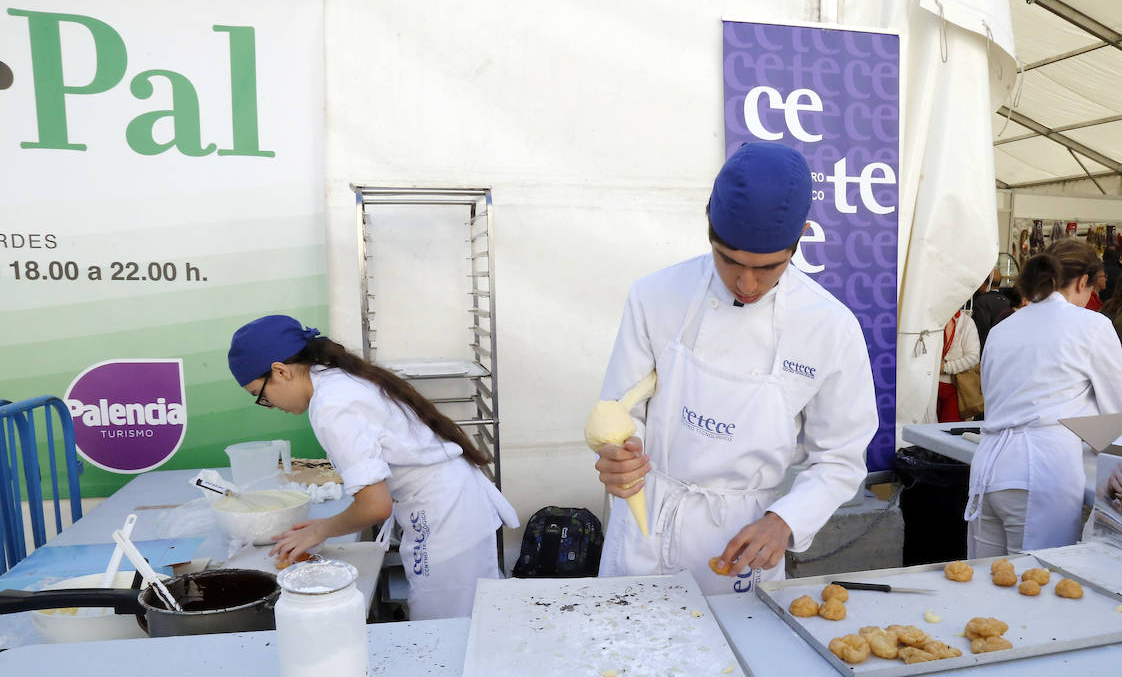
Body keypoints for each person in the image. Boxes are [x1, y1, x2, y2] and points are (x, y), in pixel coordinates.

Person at [592, 142, 878, 596]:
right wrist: (620, 456)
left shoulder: (829, 326)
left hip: (744, 541)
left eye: (769, 268)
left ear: (801, 237)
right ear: (708, 228)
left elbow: (840, 457)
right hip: (648, 521)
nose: (747, 285)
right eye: (729, 261)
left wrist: (785, 520)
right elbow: (623, 411)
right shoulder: (655, 296)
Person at [226, 315, 519, 619]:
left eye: (259, 395)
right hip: (449, 501)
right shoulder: (338, 379)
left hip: (446, 516)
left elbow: (375, 507)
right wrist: (319, 527)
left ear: (280, 371)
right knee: (467, 622)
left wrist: (322, 529)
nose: (269, 405)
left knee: (446, 629)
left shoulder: (332, 405)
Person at [964, 239, 1122, 558]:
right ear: (1084, 281)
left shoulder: (1004, 327)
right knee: (1037, 585)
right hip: (1042, 470)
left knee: (986, 586)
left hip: (989, 468)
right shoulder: (1091, 325)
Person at [937, 309, 980, 422]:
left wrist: (945, 368)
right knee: (923, 430)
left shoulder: (966, 322)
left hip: (955, 386)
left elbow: (973, 357)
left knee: (948, 430)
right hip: (928, 385)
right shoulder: (932, 319)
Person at [970, 269, 1011, 350]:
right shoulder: (1007, 301)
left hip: (987, 348)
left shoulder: (981, 301)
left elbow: (981, 328)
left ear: (984, 283)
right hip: (1004, 347)